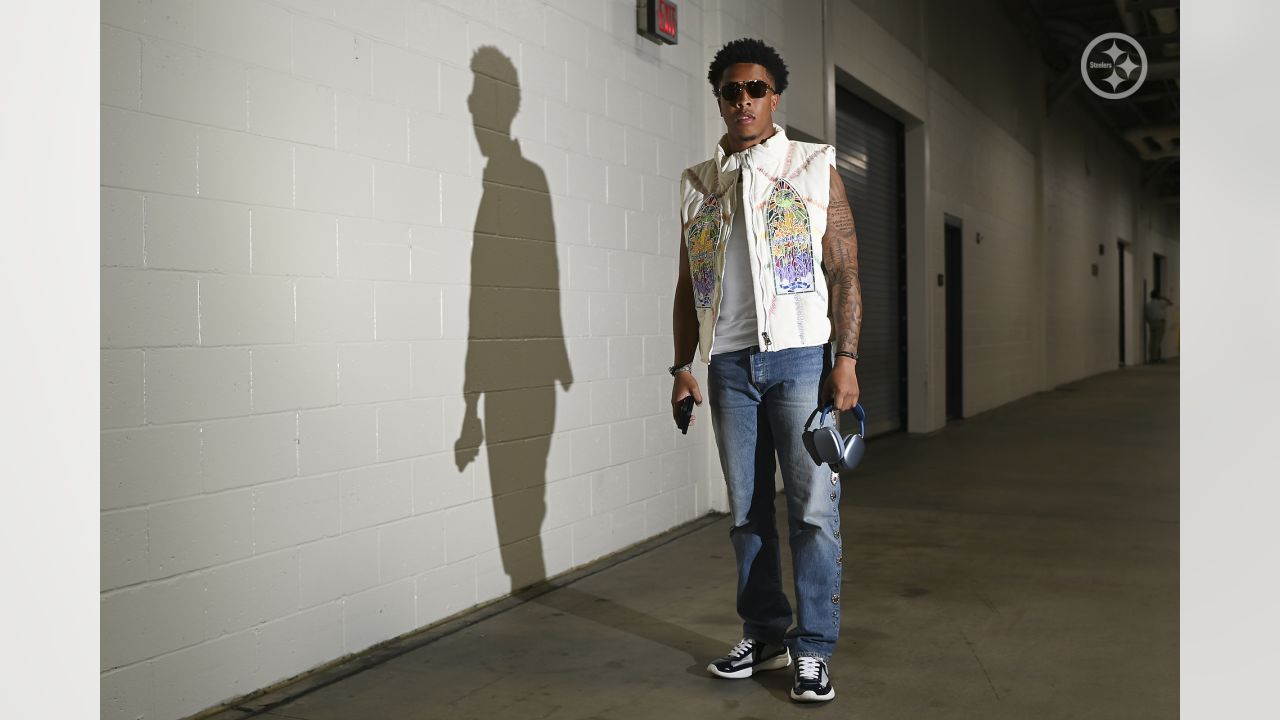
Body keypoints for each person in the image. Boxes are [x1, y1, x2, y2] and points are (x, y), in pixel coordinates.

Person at [669, 38, 863, 703]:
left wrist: (845, 360)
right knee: (747, 513)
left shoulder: (812, 167)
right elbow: (685, 284)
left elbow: (845, 271)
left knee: (812, 510)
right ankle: (766, 633)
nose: (742, 100)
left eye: (755, 89)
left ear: (774, 96)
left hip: (801, 359)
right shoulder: (700, 184)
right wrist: (682, 365)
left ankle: (813, 649)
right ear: (720, 101)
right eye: (730, 91)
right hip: (726, 366)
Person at [1144, 289, 1173, 363]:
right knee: (1157, 341)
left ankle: (1151, 358)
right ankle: (1155, 359)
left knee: (1152, 341)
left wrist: (1149, 322)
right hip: (1159, 323)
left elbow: (1146, 315)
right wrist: (1163, 297)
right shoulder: (1161, 303)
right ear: (1157, 296)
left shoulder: (1148, 304)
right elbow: (1170, 303)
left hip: (1151, 323)